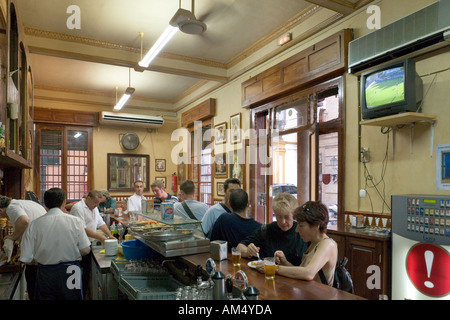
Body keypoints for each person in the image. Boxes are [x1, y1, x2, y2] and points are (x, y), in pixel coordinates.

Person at [20, 188, 91, 300]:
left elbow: (26, 258)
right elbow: (86, 250)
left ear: (45, 203)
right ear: (64, 202)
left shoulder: (34, 225)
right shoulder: (75, 221)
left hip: (45, 273)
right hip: (71, 271)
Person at [256, 201, 337, 286]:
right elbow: (301, 272)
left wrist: (273, 268)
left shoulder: (328, 244)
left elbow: (308, 273)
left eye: (301, 226)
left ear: (317, 225)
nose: (297, 230)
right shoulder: (313, 243)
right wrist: (285, 263)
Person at [237, 192, 308, 266]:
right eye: (279, 217)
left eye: (287, 217)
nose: (283, 222)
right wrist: (248, 251)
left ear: (294, 215)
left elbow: (306, 270)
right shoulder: (266, 230)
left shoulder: (303, 232)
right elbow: (239, 247)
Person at [0, 195, 47, 300]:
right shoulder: (21, 203)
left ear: (1, 210)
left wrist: (13, 237)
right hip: (44, 247)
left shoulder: (12, 207)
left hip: (37, 250)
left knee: (33, 281)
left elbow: (24, 221)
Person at [70, 190, 114, 299]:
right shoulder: (78, 208)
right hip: (78, 245)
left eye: (99, 203)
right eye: (95, 202)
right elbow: (82, 228)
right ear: (88, 198)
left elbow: (101, 223)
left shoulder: (93, 208)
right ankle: (79, 295)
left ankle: (85, 294)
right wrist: (101, 238)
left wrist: (110, 235)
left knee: (86, 273)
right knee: (79, 274)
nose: (97, 205)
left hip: (88, 243)